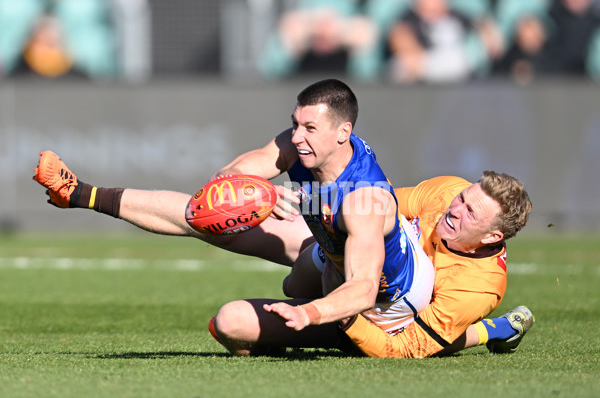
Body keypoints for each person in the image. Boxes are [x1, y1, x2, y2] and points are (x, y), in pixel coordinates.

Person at [33, 79, 435, 355]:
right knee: (211, 216)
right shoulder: (300, 146)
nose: (297, 136)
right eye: (296, 124)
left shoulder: (366, 202)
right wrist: (252, 191)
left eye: (310, 128)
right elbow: (220, 182)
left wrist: (306, 313)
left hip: (379, 309)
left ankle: (307, 328)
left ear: (343, 132)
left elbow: (363, 289)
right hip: (331, 249)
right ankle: (80, 194)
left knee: (231, 322)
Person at [211, 171, 534, 357]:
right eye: (462, 198)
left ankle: (494, 328)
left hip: (377, 318)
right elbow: (375, 206)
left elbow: (409, 346)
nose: (455, 208)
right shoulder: (446, 190)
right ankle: (185, 217)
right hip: (349, 267)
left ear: (492, 237)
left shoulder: (478, 287)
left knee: (229, 323)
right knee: (225, 228)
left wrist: (344, 312)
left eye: (471, 212)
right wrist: (294, 199)